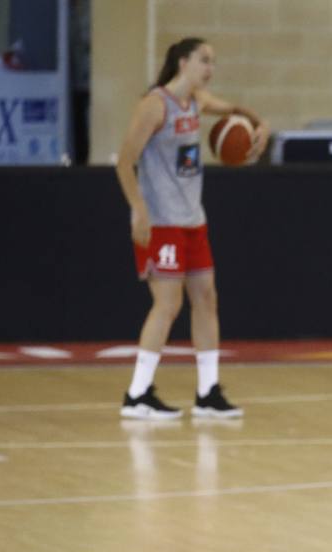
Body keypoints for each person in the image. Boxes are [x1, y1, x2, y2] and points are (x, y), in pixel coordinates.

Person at [114, 37, 268, 419]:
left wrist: (260, 123)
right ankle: (137, 394)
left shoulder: (197, 101)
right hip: (162, 222)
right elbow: (124, 161)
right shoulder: (154, 105)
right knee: (167, 304)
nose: (210, 68)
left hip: (192, 219)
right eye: (204, 60)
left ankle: (208, 392)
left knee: (207, 298)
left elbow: (235, 108)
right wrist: (138, 210)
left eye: (212, 61)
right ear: (183, 62)